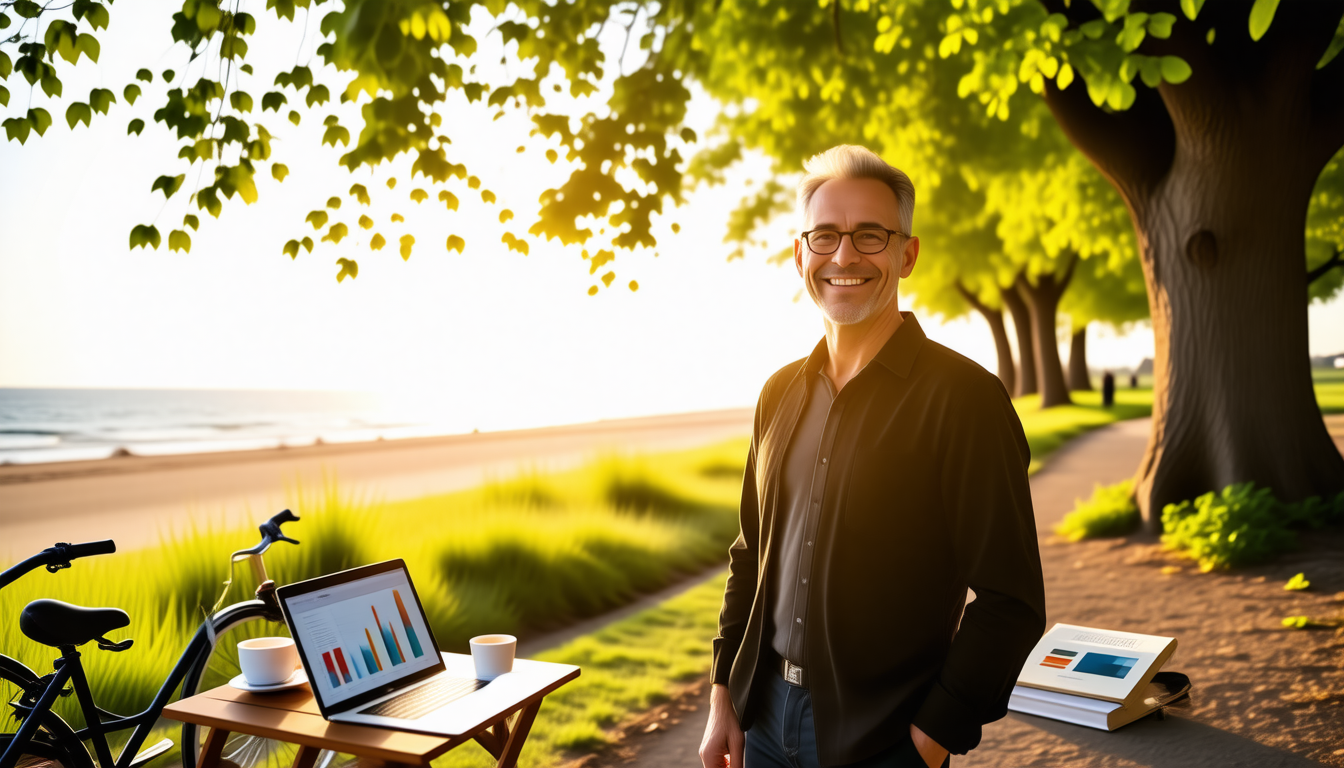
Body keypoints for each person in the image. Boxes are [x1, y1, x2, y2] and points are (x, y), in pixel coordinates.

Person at [699, 145, 1046, 768]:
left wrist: (930, 740)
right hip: (762, 724)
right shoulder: (777, 393)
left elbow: (1010, 603)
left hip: (884, 735)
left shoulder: (965, 399)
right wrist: (725, 695)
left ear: (906, 253)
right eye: (825, 236)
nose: (845, 256)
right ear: (799, 254)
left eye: (870, 235)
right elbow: (751, 554)